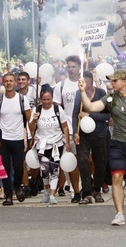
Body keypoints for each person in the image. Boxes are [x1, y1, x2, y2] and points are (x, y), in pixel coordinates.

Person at [78, 70, 126, 226]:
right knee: (116, 177)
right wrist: (83, 91)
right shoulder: (110, 99)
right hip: (117, 143)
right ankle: (119, 214)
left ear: (124, 81)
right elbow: (90, 106)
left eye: (115, 80)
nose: (112, 83)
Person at [0, 73, 31, 206]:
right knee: (5, 168)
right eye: (6, 81)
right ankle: (8, 195)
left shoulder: (22, 99)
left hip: (18, 138)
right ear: (3, 83)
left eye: (11, 81)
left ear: (15, 83)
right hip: (3, 139)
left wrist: (30, 137)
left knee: (19, 167)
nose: (8, 83)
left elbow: (28, 119)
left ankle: (17, 186)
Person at [28, 86, 70, 205]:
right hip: (42, 144)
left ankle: (52, 194)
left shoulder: (58, 109)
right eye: (44, 100)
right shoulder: (37, 110)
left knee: (54, 169)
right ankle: (46, 189)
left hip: (56, 143)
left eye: (49, 99)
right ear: (41, 99)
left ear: (52, 98)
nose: (46, 102)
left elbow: (65, 126)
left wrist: (67, 142)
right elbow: (31, 128)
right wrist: (33, 120)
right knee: (45, 169)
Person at [73, 71, 107, 205]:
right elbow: (75, 113)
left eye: (85, 83)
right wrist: (75, 132)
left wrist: (90, 115)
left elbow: (106, 116)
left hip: (100, 134)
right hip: (83, 134)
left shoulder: (101, 94)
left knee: (100, 163)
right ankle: (86, 192)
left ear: (91, 83)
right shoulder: (78, 95)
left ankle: (97, 189)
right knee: (83, 162)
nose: (82, 85)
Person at [52, 56, 83, 202]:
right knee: (72, 161)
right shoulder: (61, 86)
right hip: (69, 130)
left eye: (73, 67)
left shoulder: (84, 84)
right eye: (68, 67)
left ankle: (89, 189)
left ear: (79, 67)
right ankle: (76, 191)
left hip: (85, 128)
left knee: (87, 161)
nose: (71, 69)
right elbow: (57, 109)